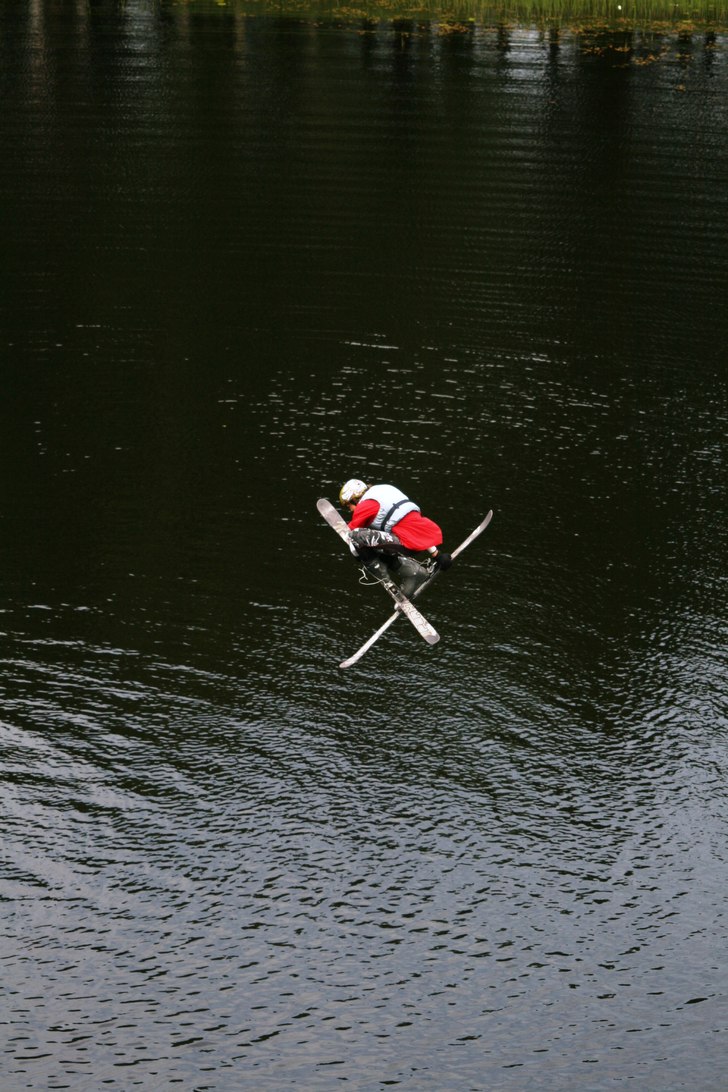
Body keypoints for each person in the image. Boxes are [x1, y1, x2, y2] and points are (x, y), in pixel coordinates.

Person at [338, 480, 452, 590]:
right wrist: (437, 555)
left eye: (349, 506)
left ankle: (384, 579)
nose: (351, 510)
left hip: (403, 544)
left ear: (354, 499)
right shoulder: (386, 489)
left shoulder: (365, 505)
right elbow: (413, 527)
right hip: (419, 539)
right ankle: (412, 573)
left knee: (357, 537)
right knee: (374, 541)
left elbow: (353, 534)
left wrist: (359, 554)